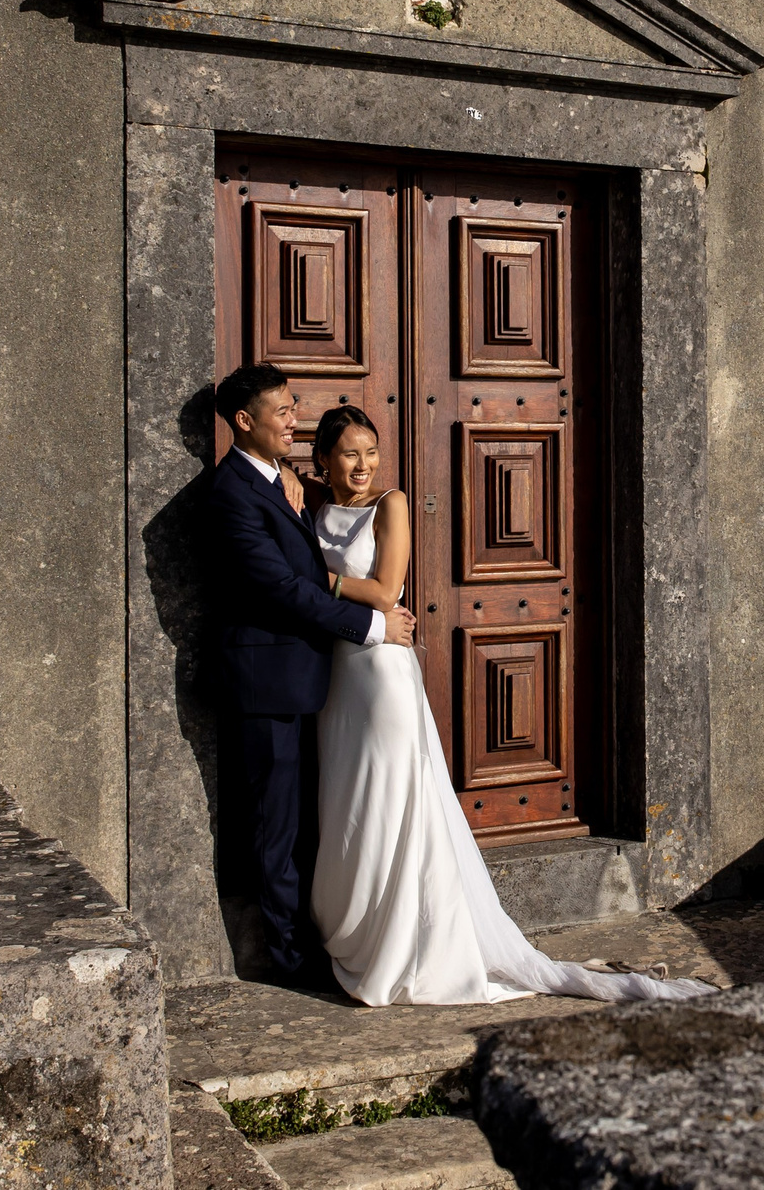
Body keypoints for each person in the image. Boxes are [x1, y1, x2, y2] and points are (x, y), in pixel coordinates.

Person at [300, 403, 716, 1006]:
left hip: (382, 675)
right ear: (323, 459)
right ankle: (364, 929)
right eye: (349, 454)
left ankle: (404, 943)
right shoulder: (313, 508)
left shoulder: (391, 503)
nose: (363, 464)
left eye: (371, 451)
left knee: (392, 797)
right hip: (339, 675)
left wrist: (320, 581)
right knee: (349, 800)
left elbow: (387, 592)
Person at [207, 363, 416, 989]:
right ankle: (292, 961)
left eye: (294, 408)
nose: (293, 420)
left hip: (316, 681)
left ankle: (340, 934)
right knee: (278, 827)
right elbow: (280, 588)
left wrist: (294, 476)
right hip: (269, 682)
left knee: (315, 817)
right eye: (282, 412)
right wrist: (373, 626)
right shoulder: (231, 493)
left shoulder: (281, 481)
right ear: (244, 421)